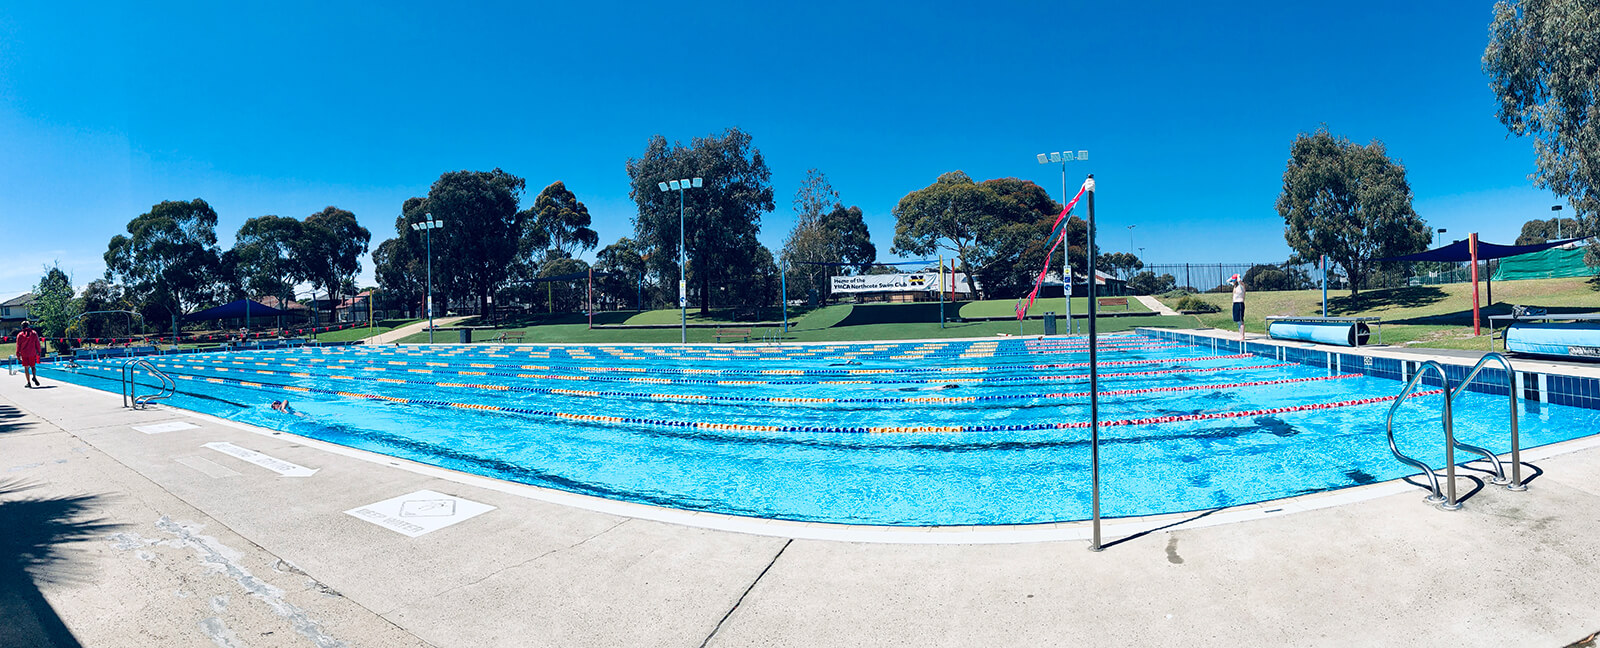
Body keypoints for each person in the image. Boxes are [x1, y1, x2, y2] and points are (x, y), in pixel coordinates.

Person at [15, 320, 43, 388]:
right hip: (32, 353)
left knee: (26, 368)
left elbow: (18, 346)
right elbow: (37, 343)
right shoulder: (34, 333)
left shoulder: (20, 335)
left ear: (22, 327)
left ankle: (28, 382)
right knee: (33, 366)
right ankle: (34, 376)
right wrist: (39, 352)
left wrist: (18, 355)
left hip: (24, 354)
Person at [1230, 274, 1246, 341]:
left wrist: (1238, 276)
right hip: (1235, 304)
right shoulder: (1235, 286)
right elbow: (1227, 281)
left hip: (1240, 303)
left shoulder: (1241, 286)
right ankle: (1240, 335)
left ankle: (1242, 336)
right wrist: (1233, 277)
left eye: (1234, 280)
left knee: (1240, 320)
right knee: (1238, 321)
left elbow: (1240, 281)